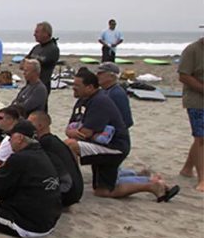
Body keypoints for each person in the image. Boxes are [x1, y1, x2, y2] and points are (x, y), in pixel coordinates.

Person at [65, 69, 178, 201]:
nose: (73, 88)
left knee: (70, 145)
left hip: (114, 147)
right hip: (99, 144)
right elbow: (70, 128)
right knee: (101, 189)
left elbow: (84, 133)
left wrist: (73, 132)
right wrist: (71, 131)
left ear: (90, 87)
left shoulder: (99, 101)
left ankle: (151, 185)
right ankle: (145, 178)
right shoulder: (83, 100)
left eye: (77, 86)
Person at [0, 121, 62, 238]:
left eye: (11, 137)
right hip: (47, 222)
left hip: (28, 226)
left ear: (20, 138)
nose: (9, 141)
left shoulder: (20, 158)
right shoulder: (40, 154)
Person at [29, 111, 84, 207]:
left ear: (40, 126)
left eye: (30, 123)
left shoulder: (45, 144)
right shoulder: (55, 141)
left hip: (67, 193)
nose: (27, 125)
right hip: (76, 190)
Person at [178, 37, 204, 191]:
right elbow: (184, 76)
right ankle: (202, 179)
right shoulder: (192, 50)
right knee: (201, 138)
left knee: (201, 137)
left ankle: (187, 168)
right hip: (196, 101)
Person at [26, 21, 60, 104]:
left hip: (42, 84)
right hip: (30, 84)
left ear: (45, 33)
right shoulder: (36, 48)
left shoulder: (53, 49)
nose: (34, 34)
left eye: (37, 32)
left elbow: (40, 64)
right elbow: (24, 62)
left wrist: (31, 63)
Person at [96, 62, 133, 128]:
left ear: (112, 76)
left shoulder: (116, 94)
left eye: (100, 73)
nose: (97, 76)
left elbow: (127, 121)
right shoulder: (105, 91)